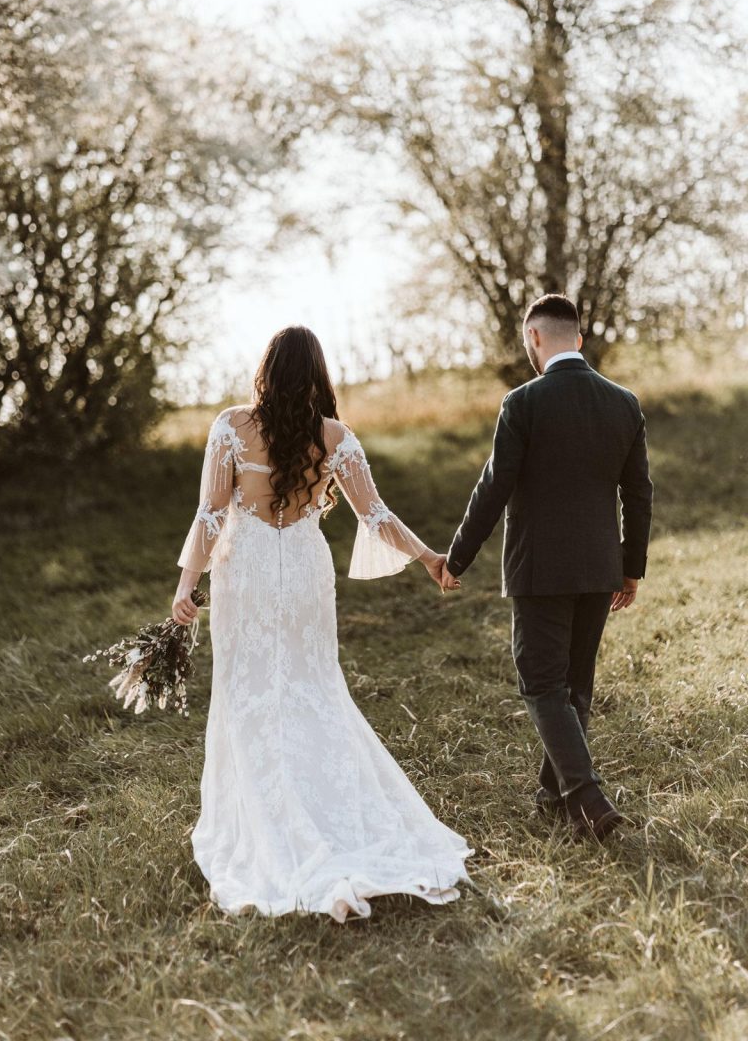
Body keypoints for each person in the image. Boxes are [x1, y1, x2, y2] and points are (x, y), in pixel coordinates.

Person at [172, 325, 472, 922]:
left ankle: (270, 815)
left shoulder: (231, 426)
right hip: (306, 574)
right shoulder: (335, 437)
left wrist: (186, 587)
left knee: (249, 689)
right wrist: (428, 557)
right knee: (313, 687)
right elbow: (376, 515)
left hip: (248, 573)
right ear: (317, 375)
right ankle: (322, 807)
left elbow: (210, 515)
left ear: (266, 371)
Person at [441, 294, 653, 842]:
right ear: (577, 339)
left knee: (541, 683)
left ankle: (587, 798)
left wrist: (456, 557)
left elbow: (494, 487)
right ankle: (552, 796)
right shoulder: (624, 403)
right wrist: (631, 566)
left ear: (534, 338)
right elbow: (638, 492)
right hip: (601, 566)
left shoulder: (523, 402)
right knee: (573, 685)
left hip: (539, 569)